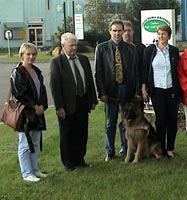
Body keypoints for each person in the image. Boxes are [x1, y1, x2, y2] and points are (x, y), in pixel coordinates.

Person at [49, 33, 98, 171]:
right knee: (67, 134)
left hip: (82, 101)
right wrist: (59, 107)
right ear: (63, 46)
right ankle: (68, 162)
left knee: (82, 132)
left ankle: (80, 159)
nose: (74, 48)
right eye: (71, 45)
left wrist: (93, 100)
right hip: (67, 104)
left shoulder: (83, 60)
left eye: (75, 45)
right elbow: (55, 87)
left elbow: (89, 81)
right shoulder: (57, 62)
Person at [95, 20, 141, 161]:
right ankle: (109, 151)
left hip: (127, 90)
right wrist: (101, 92)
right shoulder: (101, 48)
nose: (117, 33)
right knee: (110, 122)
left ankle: (125, 147)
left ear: (123, 31)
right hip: (110, 91)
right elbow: (99, 73)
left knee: (126, 121)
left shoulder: (130, 48)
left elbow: (136, 71)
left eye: (119, 30)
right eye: (114, 30)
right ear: (109, 31)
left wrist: (137, 91)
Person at [10, 42, 48, 182]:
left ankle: (35, 169)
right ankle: (26, 173)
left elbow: (42, 90)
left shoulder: (36, 71)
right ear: (22, 55)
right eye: (28, 54)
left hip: (37, 112)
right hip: (25, 113)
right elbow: (20, 94)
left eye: (34, 54)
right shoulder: (17, 73)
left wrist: (43, 105)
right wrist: (34, 106)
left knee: (35, 142)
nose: (31, 57)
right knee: (25, 144)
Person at [142, 25, 181, 157]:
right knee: (160, 120)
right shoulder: (150, 51)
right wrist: (144, 89)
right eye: (159, 34)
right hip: (156, 90)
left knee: (172, 119)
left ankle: (170, 148)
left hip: (171, 90)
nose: (161, 36)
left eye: (164, 34)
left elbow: (178, 71)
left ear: (169, 36)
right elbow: (144, 70)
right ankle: (160, 148)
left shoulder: (174, 51)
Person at [116, 20, 147, 156]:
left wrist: (141, 90)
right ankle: (125, 146)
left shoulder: (140, 48)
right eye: (125, 31)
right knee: (123, 120)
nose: (127, 33)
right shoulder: (118, 48)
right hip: (121, 91)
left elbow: (141, 71)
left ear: (133, 32)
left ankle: (140, 148)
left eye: (129, 30)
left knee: (138, 118)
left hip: (136, 91)